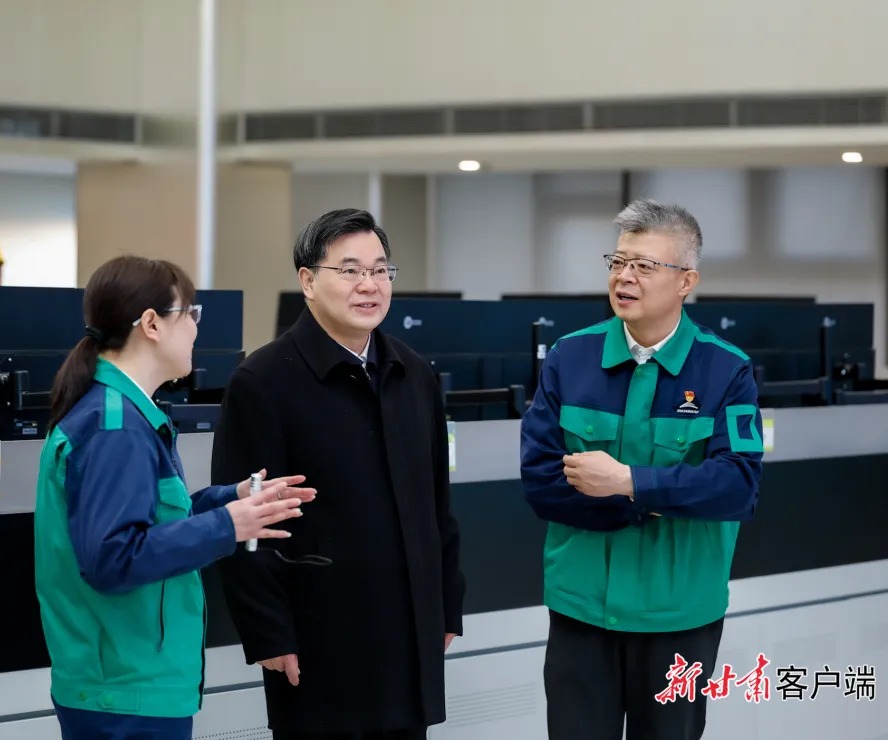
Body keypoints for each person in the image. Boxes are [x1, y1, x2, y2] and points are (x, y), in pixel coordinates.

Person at [34, 255, 316, 740]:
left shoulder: (124, 415)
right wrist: (228, 525)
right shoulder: (115, 427)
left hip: (129, 685)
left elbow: (152, 523)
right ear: (151, 325)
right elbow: (113, 558)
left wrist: (231, 501)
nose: (195, 328)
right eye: (189, 313)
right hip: (123, 692)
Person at [210, 208, 466, 740]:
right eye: (350, 271)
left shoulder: (414, 374)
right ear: (308, 281)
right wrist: (268, 632)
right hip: (318, 635)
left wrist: (446, 606)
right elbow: (248, 526)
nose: (369, 285)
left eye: (380, 270)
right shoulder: (263, 381)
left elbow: (436, 505)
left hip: (408, 630)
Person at [520, 199, 764, 740]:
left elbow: (737, 486)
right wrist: (656, 502)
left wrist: (630, 483)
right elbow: (541, 481)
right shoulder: (569, 357)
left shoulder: (727, 369)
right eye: (618, 262)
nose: (624, 276)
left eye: (644, 265)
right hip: (582, 610)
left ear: (686, 281)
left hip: (679, 614)